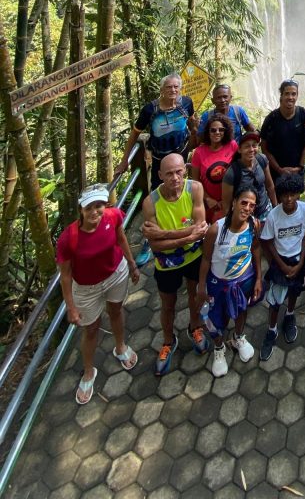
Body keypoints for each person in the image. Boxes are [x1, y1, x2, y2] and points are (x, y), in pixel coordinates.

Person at [57, 184, 140, 404]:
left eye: (99, 206)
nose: (95, 211)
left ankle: (120, 346)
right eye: (90, 207)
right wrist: (71, 307)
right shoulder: (69, 238)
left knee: (116, 310)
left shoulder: (112, 216)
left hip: (115, 274)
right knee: (91, 329)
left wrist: (132, 265)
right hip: (86, 288)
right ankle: (88, 371)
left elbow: (121, 239)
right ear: (81, 210)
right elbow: (65, 275)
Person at [116, 73, 199, 266]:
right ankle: (150, 239)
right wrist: (124, 161)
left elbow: (192, 121)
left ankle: (183, 225)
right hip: (160, 159)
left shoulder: (186, 103)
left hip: (181, 154)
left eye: (176, 87)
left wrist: (195, 130)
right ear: (161, 90)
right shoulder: (150, 110)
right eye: (169, 87)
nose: (173, 91)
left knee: (182, 190)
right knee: (155, 195)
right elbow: (134, 135)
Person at [141, 153, 210, 375]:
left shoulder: (195, 189)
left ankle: (195, 326)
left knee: (195, 294)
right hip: (166, 262)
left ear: (186, 170)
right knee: (167, 304)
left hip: (193, 256)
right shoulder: (150, 202)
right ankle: (168, 341)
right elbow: (156, 245)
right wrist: (187, 237)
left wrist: (166, 234)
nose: (175, 178)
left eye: (179, 171)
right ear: (160, 175)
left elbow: (200, 228)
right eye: (169, 173)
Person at [197, 186, 262, 377]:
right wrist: (202, 286)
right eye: (244, 202)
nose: (247, 208)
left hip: (244, 279)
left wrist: (258, 277)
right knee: (216, 319)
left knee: (241, 311)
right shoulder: (216, 230)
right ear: (233, 203)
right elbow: (206, 259)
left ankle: (238, 337)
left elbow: (256, 249)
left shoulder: (254, 225)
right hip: (218, 284)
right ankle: (219, 348)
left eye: (252, 205)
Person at [259, 173, 305, 360]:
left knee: (294, 291)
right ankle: (272, 330)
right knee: (275, 301)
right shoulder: (274, 216)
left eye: (293, 194)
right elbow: (267, 242)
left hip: (298, 260)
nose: (289, 199)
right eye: (284, 195)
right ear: (279, 195)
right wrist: (281, 265)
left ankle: (290, 315)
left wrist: (300, 262)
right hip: (280, 262)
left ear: (299, 193)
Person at [260, 79, 305, 179]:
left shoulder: (303, 114)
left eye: (293, 94)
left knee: (295, 194)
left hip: (297, 170)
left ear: (297, 96)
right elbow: (264, 147)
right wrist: (279, 169)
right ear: (281, 95)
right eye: (287, 94)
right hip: (276, 172)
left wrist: (300, 166)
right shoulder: (271, 119)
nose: (290, 97)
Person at [189, 113, 239, 223]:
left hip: (231, 199)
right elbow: (196, 181)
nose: (217, 132)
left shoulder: (232, 145)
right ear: (208, 132)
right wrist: (207, 199)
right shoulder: (199, 152)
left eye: (221, 129)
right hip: (210, 204)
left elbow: (239, 171)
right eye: (213, 130)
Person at [221, 130, 276, 221]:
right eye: (247, 146)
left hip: (265, 211)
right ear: (239, 149)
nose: (251, 149)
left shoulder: (262, 159)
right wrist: (229, 224)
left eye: (254, 145)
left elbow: (270, 186)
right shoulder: (232, 173)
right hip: (244, 216)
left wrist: (275, 208)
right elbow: (226, 204)